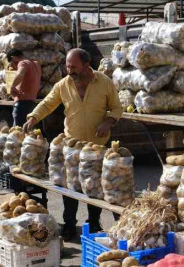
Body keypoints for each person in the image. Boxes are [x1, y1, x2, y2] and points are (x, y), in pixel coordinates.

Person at [24, 48, 122, 240]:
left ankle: (93, 222)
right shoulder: (64, 84)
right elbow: (48, 103)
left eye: (73, 67)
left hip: (97, 146)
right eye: (67, 66)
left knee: (94, 187)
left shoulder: (104, 82)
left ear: (86, 65)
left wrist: (108, 121)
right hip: (72, 146)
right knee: (70, 187)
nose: (69, 70)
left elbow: (117, 107)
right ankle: (69, 223)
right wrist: (34, 117)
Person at [7, 49, 41, 127]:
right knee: (27, 131)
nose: (13, 66)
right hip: (32, 102)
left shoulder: (23, 63)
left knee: (17, 131)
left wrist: (12, 87)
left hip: (22, 103)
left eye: (11, 63)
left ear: (13, 58)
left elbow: (20, 74)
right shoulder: (36, 64)